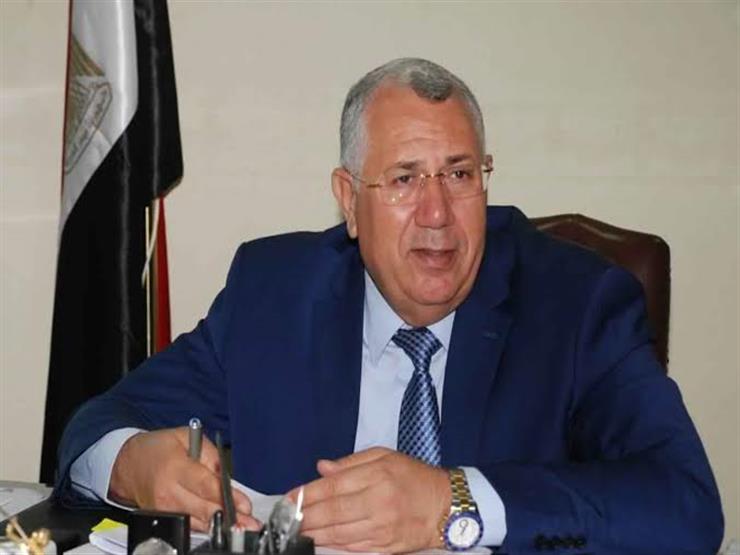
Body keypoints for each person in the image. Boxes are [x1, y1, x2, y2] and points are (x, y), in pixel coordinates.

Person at [54, 58, 723, 554]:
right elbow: (98, 423)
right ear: (349, 200)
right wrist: (133, 464)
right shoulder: (275, 294)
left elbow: (685, 504)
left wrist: (448, 500)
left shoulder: (576, 306)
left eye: (459, 174)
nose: (437, 214)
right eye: (404, 179)